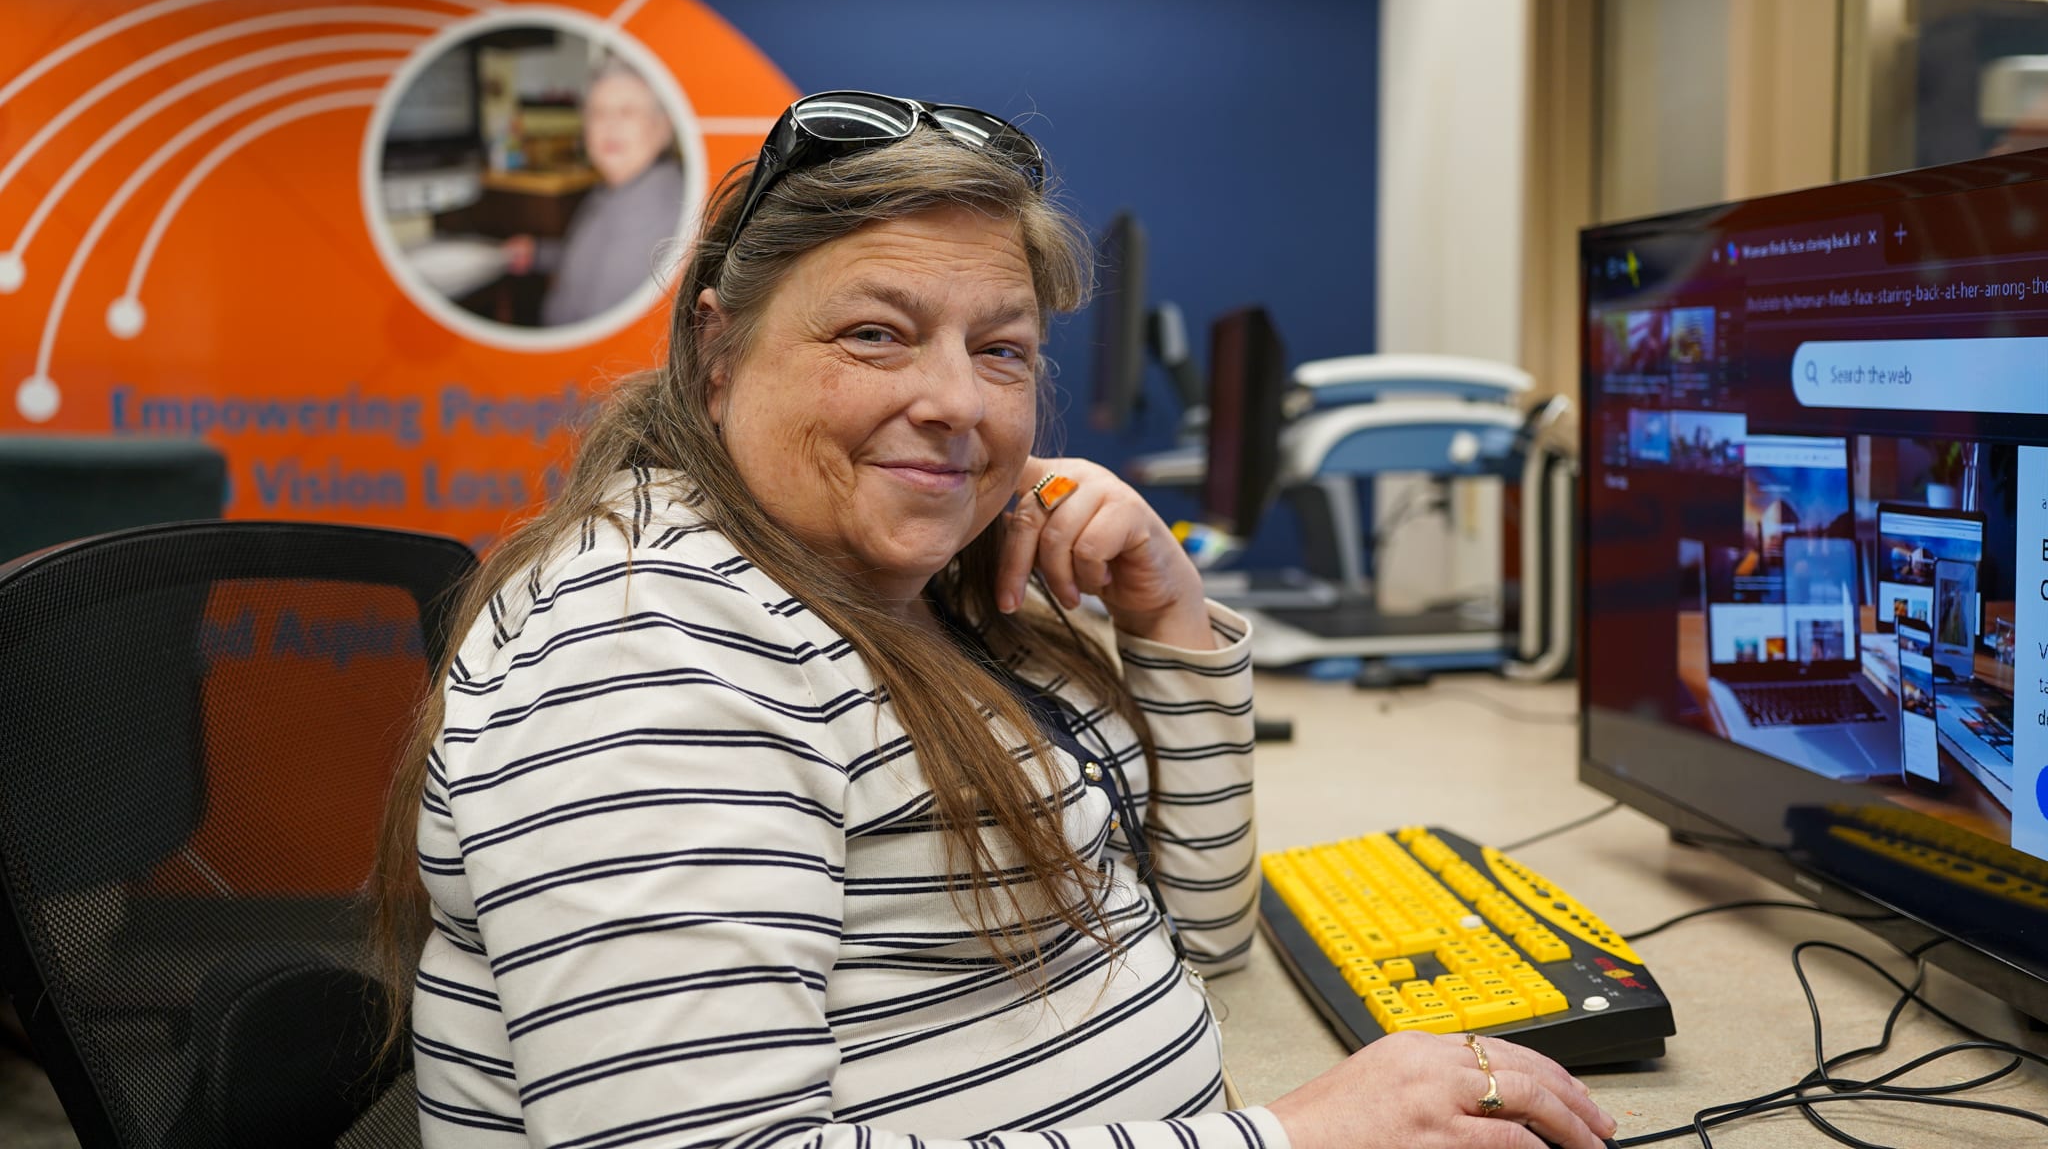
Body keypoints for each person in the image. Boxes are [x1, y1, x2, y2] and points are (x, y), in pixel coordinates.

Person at [374, 90, 1619, 1149]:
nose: (954, 401)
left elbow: (1196, 929)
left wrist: (1170, 622)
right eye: (876, 334)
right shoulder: (652, 648)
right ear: (718, 351)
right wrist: (1287, 1138)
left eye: (1003, 350)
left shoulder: (901, 592)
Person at [502, 59, 687, 326]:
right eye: (598, 113)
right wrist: (538, 253)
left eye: (627, 112)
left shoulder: (659, 206)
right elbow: (589, 256)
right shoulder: (616, 188)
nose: (609, 126)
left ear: (663, 127)